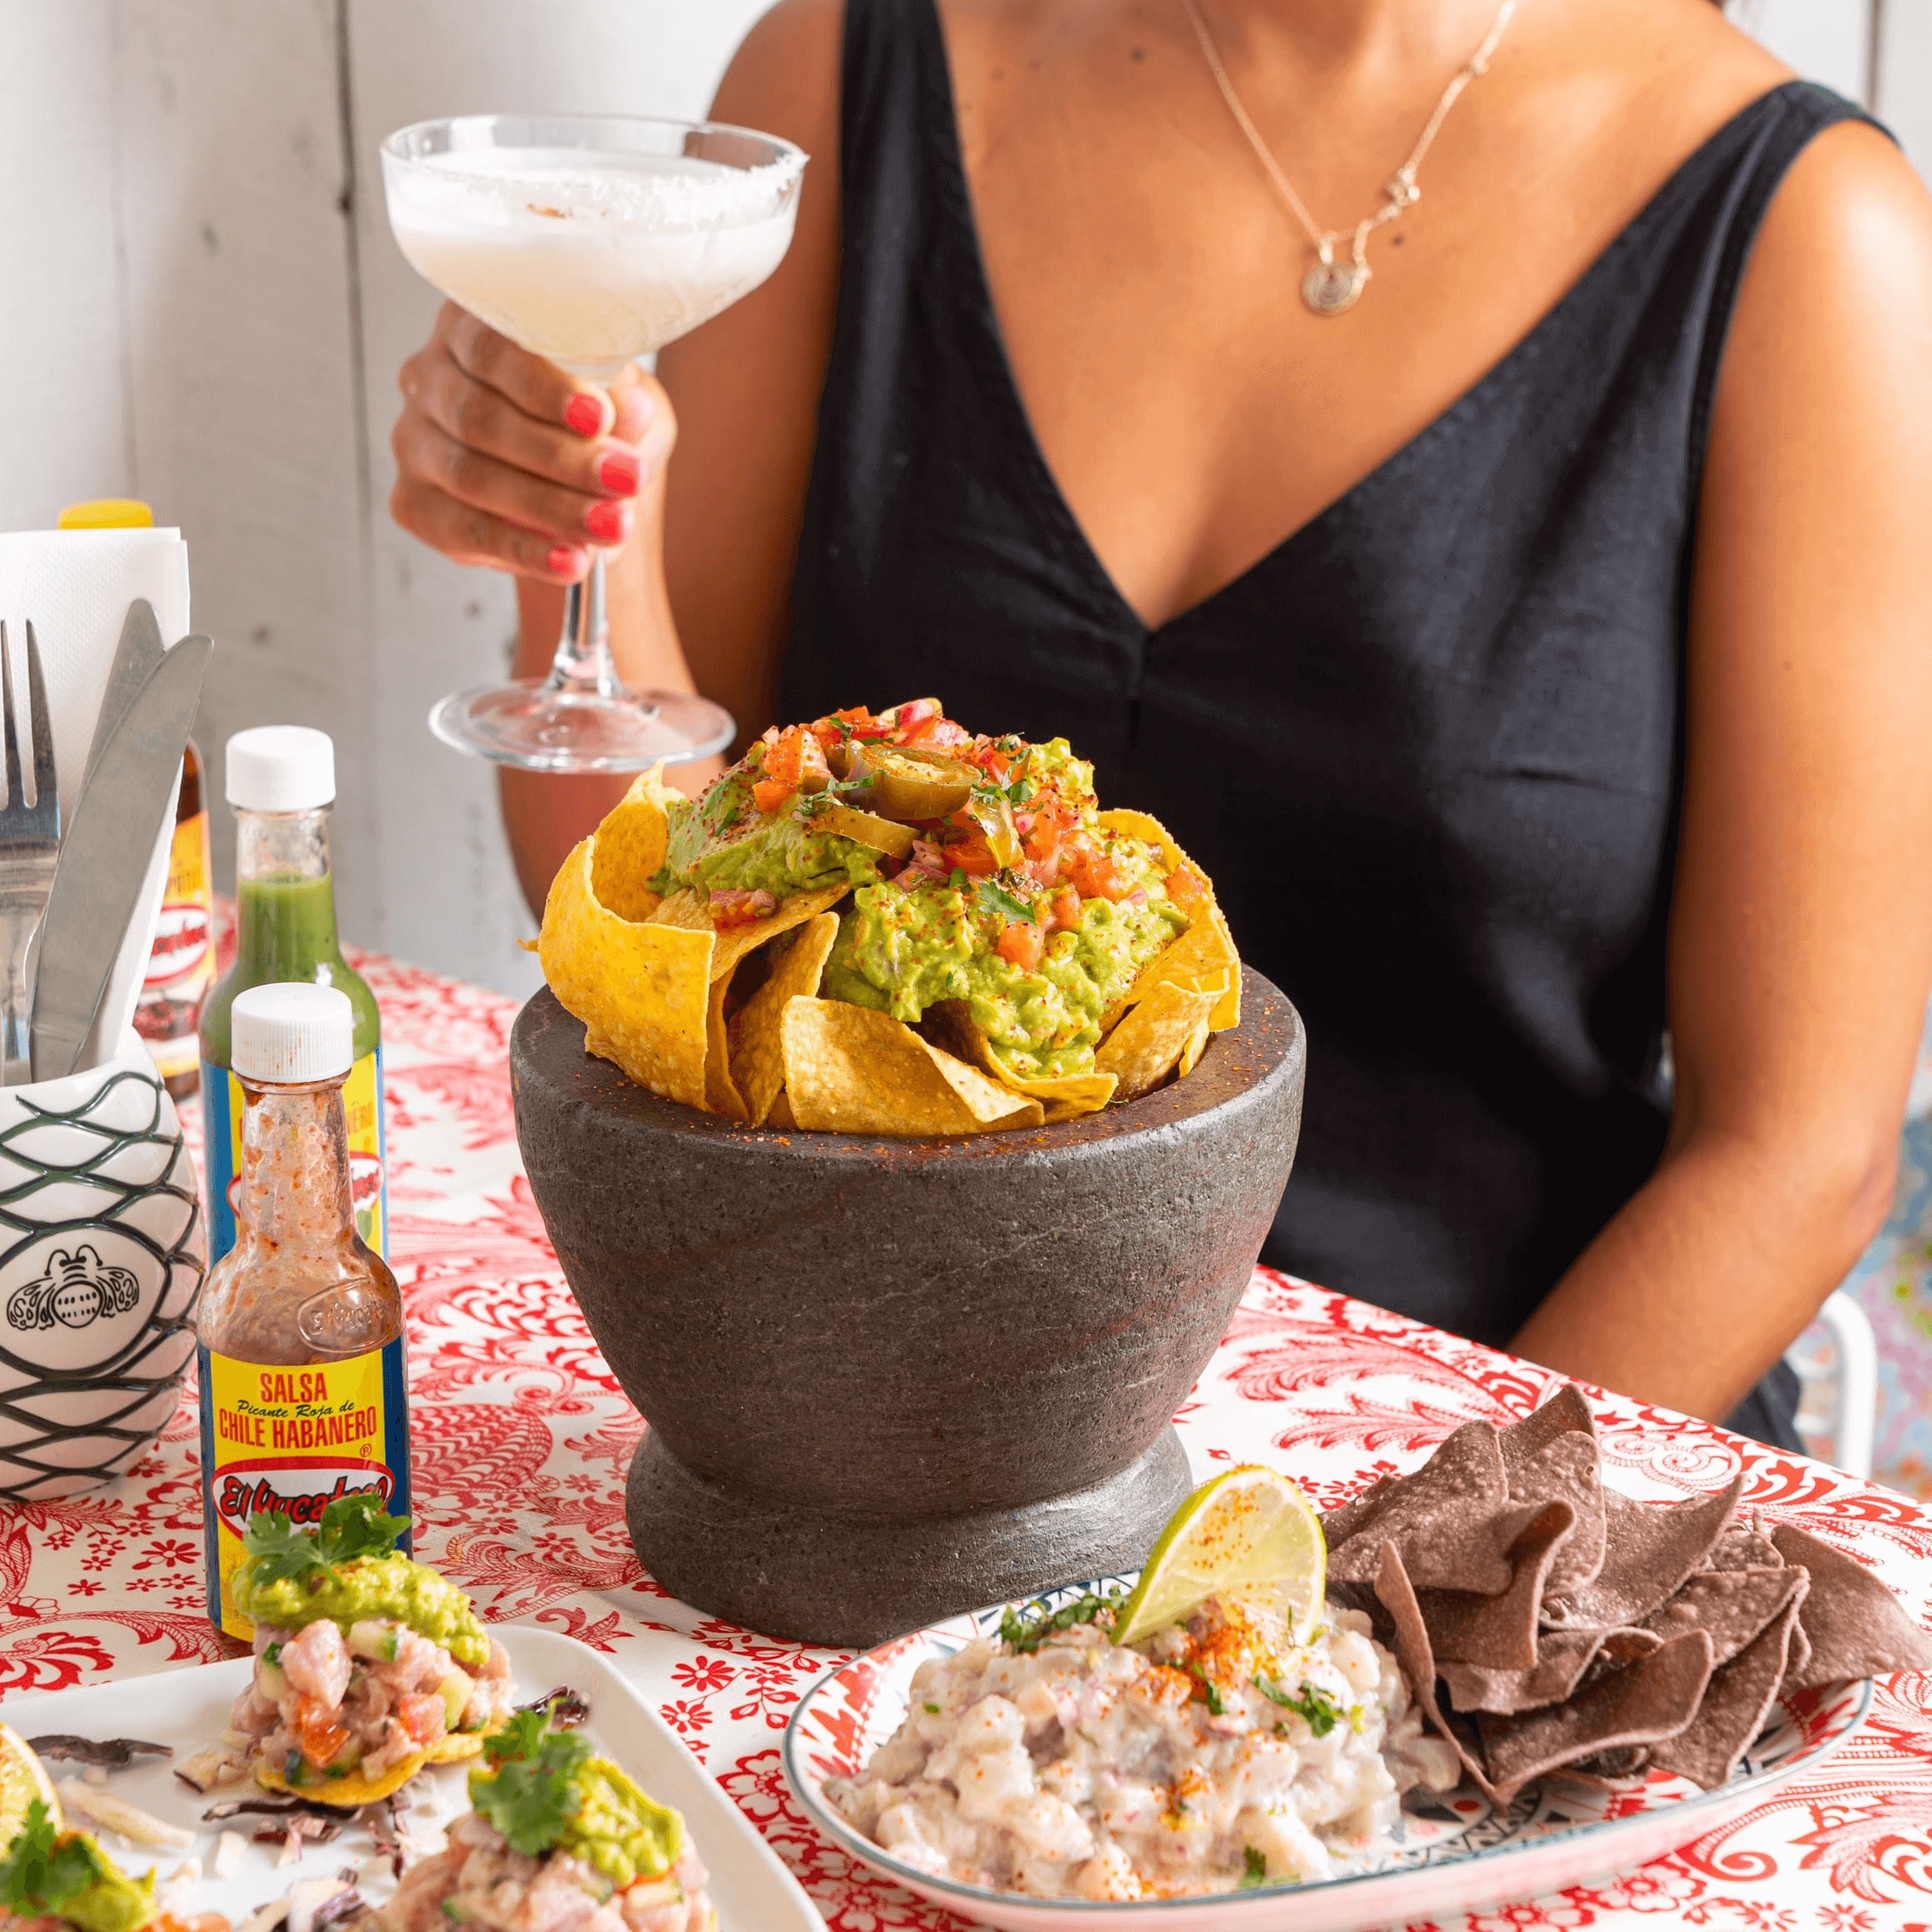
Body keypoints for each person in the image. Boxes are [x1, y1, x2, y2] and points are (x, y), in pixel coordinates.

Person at [388, 0, 1932, 1450]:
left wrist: (1398, 1578)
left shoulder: (1809, 233)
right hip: (892, 1440)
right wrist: (571, 517)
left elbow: (1793, 1156)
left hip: (1503, 1465)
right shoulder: (849, 67)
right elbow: (655, 931)